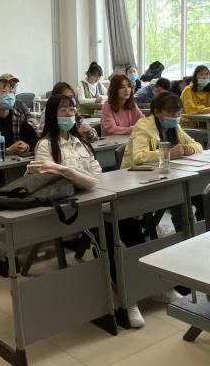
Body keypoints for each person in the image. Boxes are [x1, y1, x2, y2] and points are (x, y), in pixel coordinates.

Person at [31, 94, 147, 328]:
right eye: (63, 110)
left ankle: (147, 283)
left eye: (72, 109)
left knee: (131, 226)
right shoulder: (45, 145)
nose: (69, 113)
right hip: (74, 208)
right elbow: (51, 180)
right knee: (109, 235)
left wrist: (79, 177)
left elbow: (97, 172)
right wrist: (81, 179)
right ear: (52, 114)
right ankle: (125, 296)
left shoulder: (81, 142)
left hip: (97, 198)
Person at [122, 92, 203, 168]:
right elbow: (138, 157)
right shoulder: (143, 127)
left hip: (163, 168)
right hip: (134, 172)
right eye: (171, 112)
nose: (175, 116)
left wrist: (191, 149)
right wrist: (168, 153)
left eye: (178, 113)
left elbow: (198, 145)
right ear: (157, 112)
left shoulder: (175, 127)